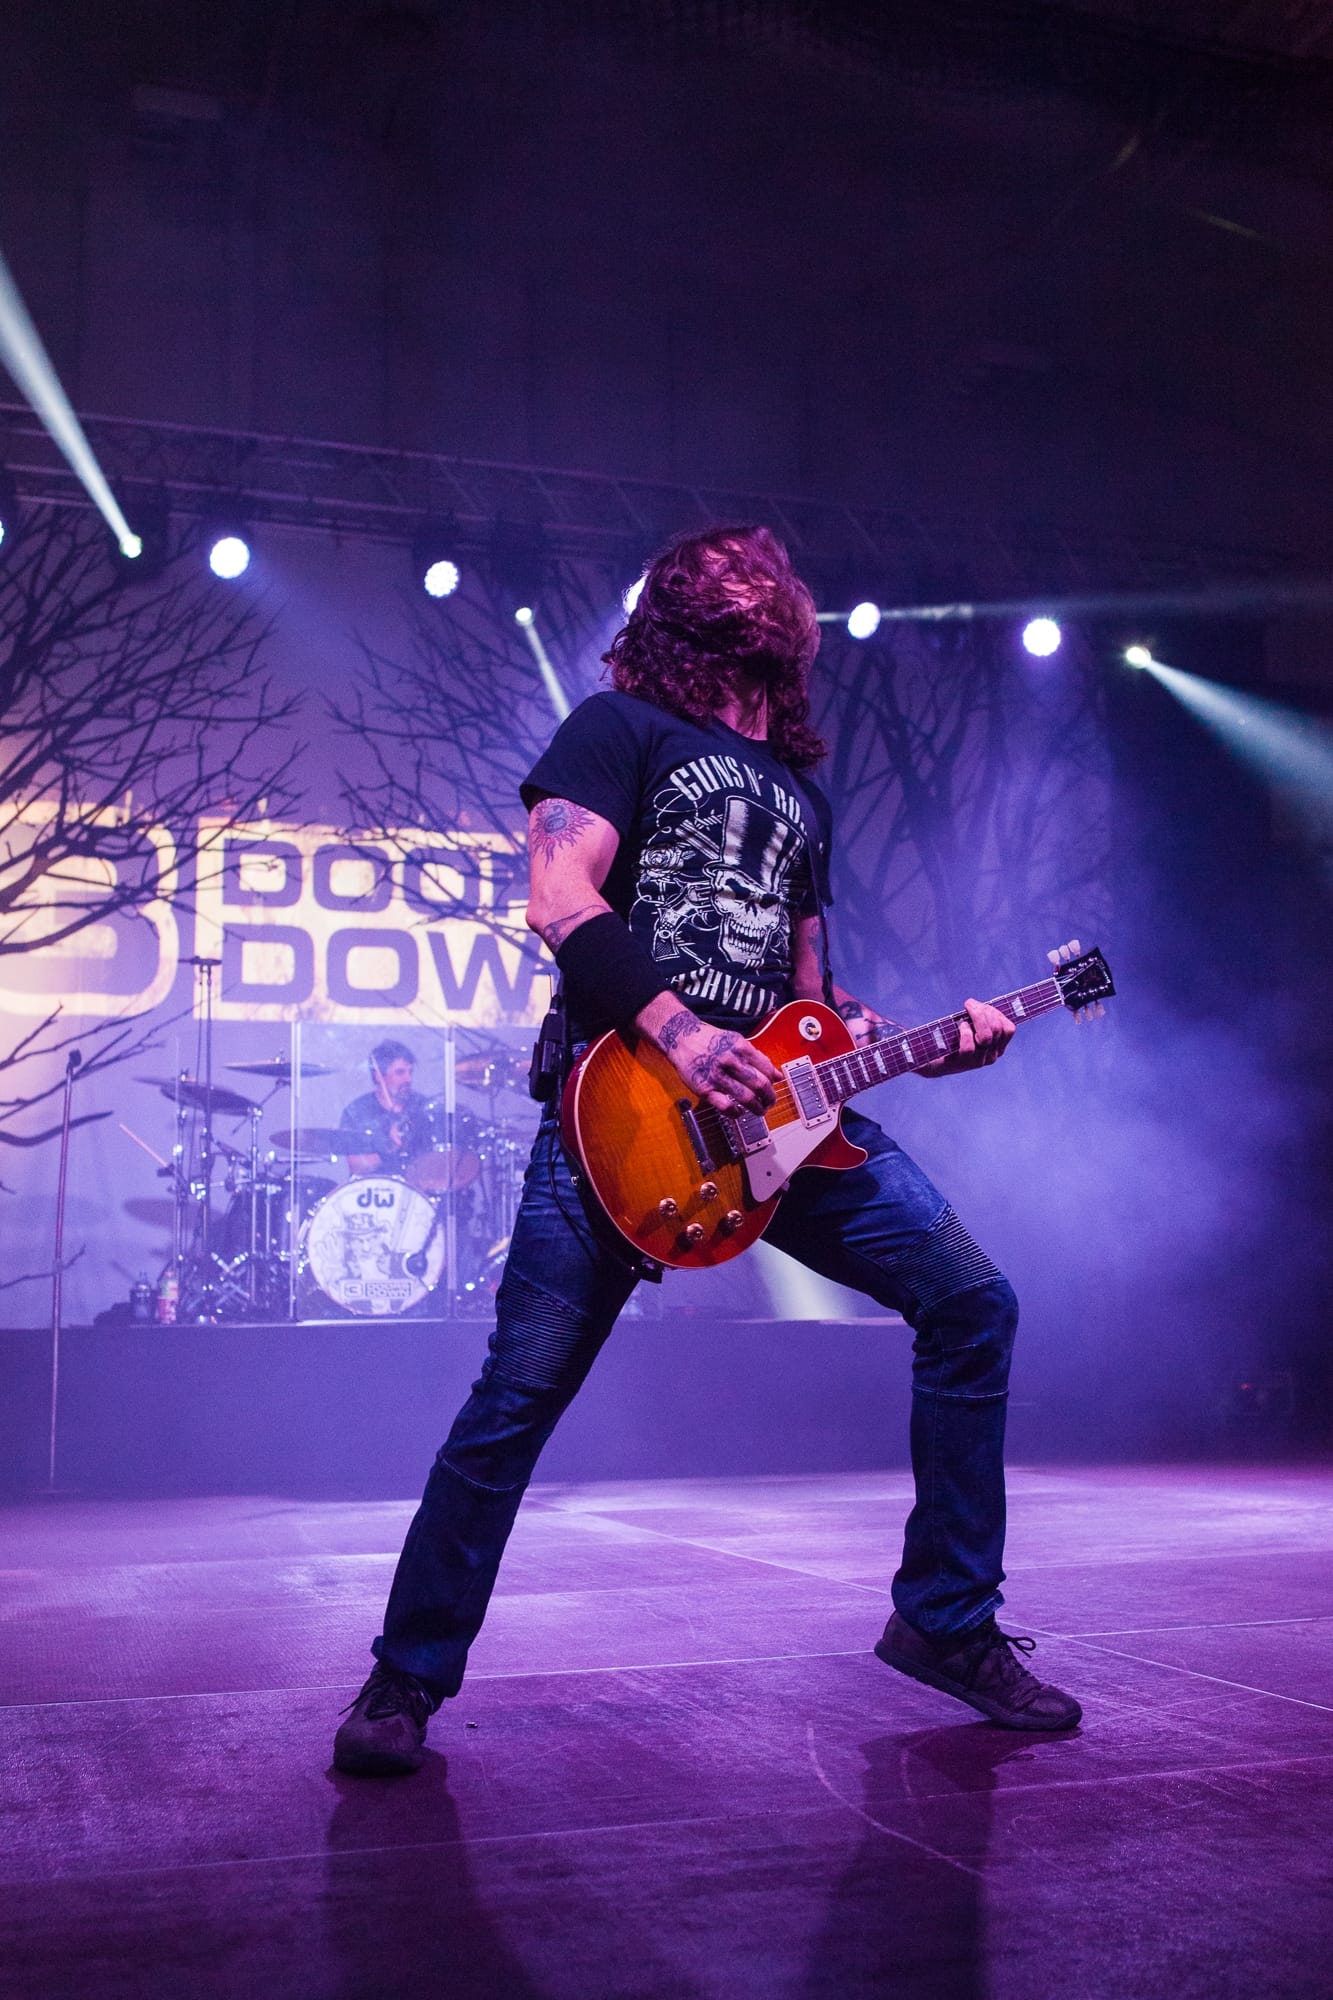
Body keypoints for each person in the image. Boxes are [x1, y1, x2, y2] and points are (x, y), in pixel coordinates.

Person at [333, 525, 1081, 1776]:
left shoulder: (802, 795)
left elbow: (816, 1008)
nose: (761, 565)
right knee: (514, 1399)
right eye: (730, 562)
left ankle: (946, 1619)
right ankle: (403, 1676)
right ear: (681, 607)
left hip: (780, 1127)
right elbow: (559, 898)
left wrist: (933, 1047)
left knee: (973, 1300)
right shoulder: (615, 728)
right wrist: (681, 1035)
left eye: (770, 564)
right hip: (621, 1115)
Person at [338, 1039, 431, 1177]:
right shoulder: (357, 1112)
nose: (408, 1079)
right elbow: (357, 1166)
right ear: (378, 1076)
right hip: (373, 1188)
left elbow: (435, 1163)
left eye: (410, 1072)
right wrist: (390, 1145)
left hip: (417, 1187)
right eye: (400, 1072)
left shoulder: (423, 1107)